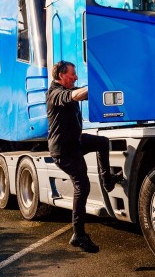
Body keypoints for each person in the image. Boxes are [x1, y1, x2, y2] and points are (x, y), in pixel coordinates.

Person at [46, 60, 124, 253]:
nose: (76, 77)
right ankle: (78, 235)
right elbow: (75, 95)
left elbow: (81, 91)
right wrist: (95, 86)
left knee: (102, 142)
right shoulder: (54, 93)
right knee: (82, 186)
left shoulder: (67, 88)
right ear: (61, 76)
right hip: (64, 151)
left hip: (75, 143)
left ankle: (107, 181)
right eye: (72, 74)